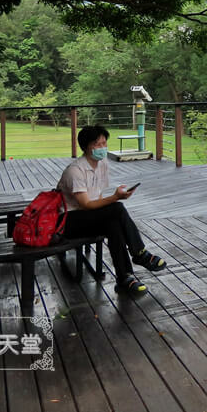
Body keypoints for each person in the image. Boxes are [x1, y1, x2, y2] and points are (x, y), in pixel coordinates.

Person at [57, 125, 166, 295]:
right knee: (117, 207)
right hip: (68, 221)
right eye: (97, 144)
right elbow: (85, 204)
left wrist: (110, 206)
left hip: (88, 217)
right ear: (86, 147)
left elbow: (98, 196)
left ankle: (125, 278)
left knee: (113, 223)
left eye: (104, 143)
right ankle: (139, 253)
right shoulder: (75, 171)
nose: (102, 148)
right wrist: (115, 198)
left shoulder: (102, 164)